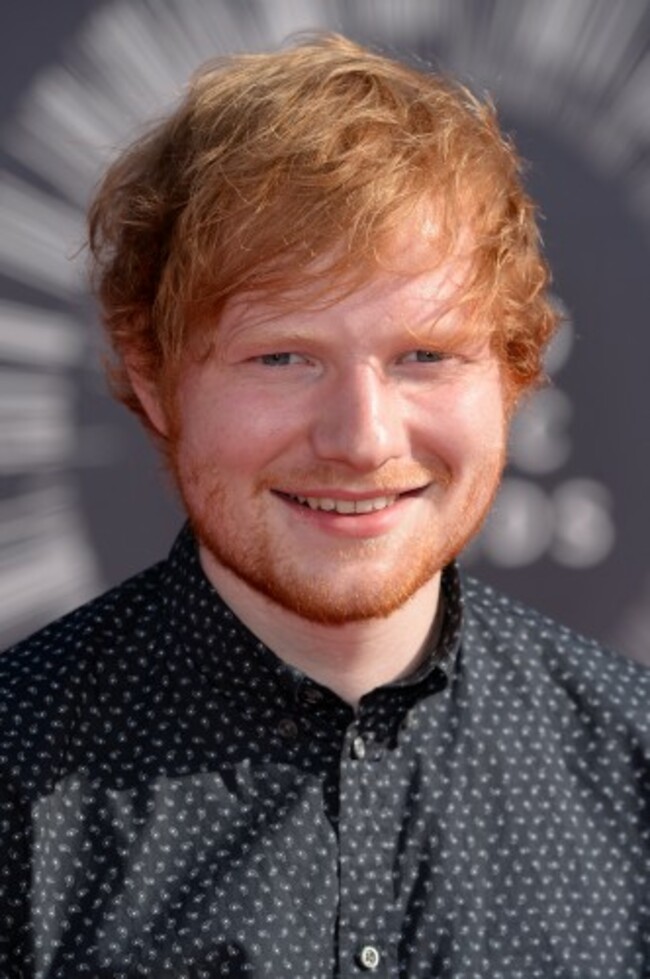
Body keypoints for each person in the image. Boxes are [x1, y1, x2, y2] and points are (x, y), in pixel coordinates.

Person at [1, 32, 649, 979]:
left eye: (423, 356)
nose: (362, 438)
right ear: (153, 377)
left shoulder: (632, 766)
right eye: (284, 357)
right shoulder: (16, 777)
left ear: (515, 375)